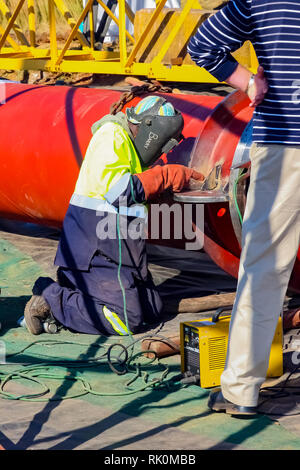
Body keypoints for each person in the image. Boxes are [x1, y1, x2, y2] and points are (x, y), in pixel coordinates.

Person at [188, 0, 300, 416]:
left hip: (287, 142)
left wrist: (250, 83)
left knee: (265, 267)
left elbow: (203, 44)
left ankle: (240, 390)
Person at [24, 95, 204, 336]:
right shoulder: (112, 135)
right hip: (94, 250)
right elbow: (117, 191)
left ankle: (76, 292)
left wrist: (158, 193)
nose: (163, 151)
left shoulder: (133, 153)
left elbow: (132, 198)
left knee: (152, 308)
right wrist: (165, 176)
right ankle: (48, 296)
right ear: (150, 128)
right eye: (164, 143)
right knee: (126, 319)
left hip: (120, 251)